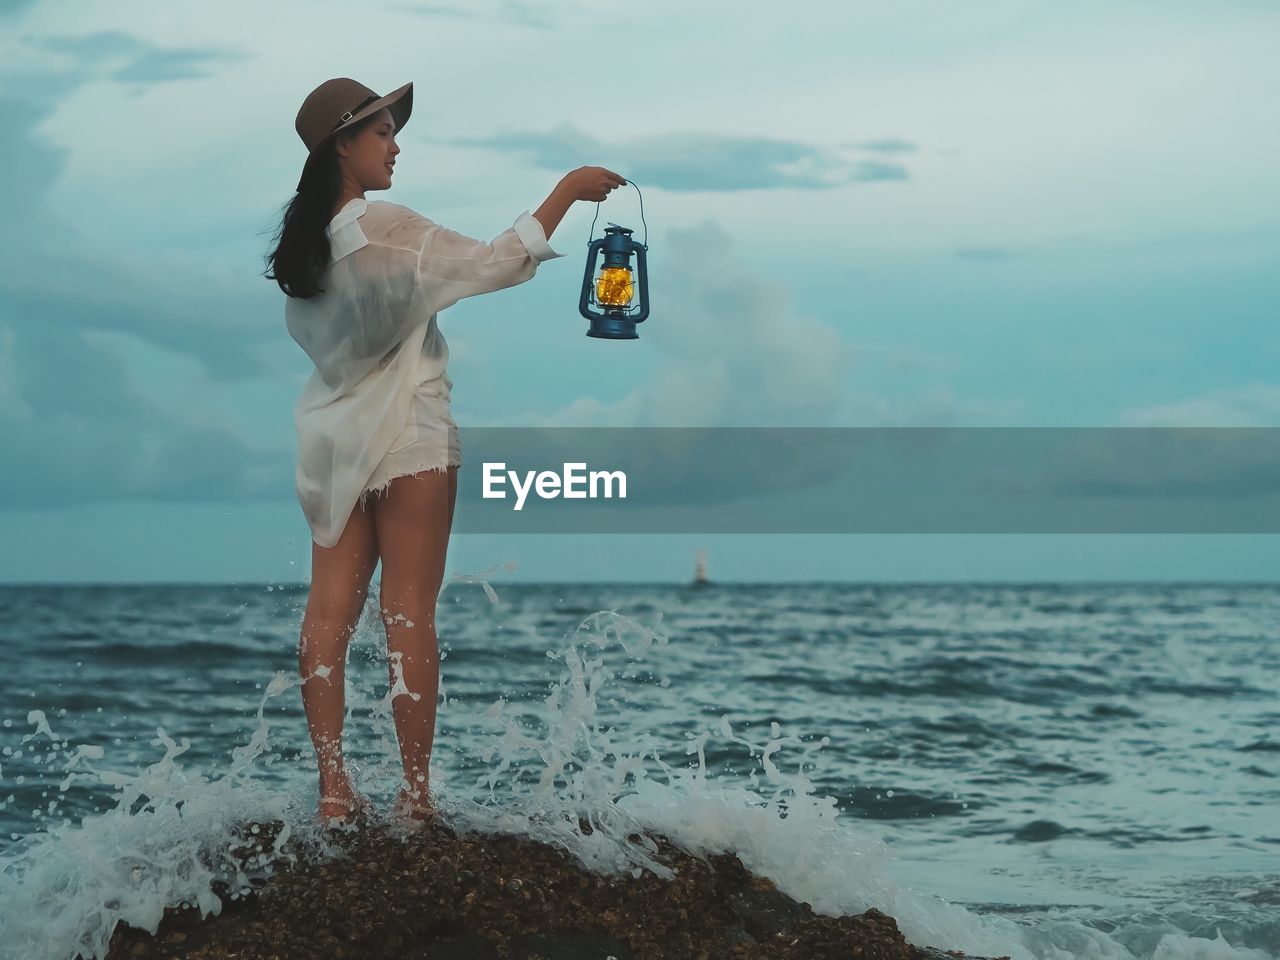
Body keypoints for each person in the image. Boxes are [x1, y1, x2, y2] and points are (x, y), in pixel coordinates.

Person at [263, 77, 625, 826]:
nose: (396, 145)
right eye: (383, 132)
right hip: (411, 433)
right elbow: (495, 262)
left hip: (333, 443)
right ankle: (416, 798)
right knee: (408, 616)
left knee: (326, 618)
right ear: (344, 144)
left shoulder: (305, 259)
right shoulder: (383, 226)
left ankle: (334, 791)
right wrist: (567, 191)